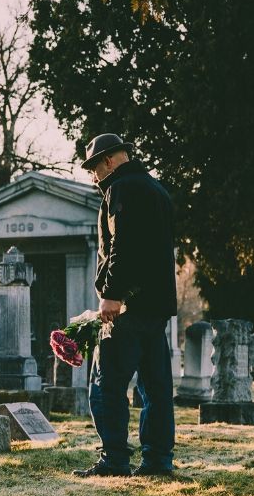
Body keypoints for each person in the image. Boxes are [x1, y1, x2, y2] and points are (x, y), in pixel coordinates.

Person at [73, 133, 178, 478]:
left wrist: (112, 295)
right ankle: (157, 461)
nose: (93, 176)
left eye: (93, 168)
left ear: (107, 161)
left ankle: (114, 459)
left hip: (127, 306)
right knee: (155, 388)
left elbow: (123, 246)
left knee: (106, 386)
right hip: (157, 306)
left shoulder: (122, 189)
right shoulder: (157, 190)